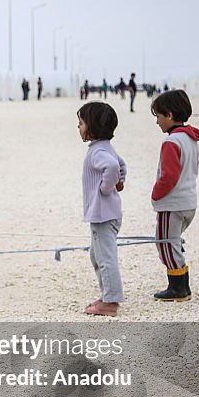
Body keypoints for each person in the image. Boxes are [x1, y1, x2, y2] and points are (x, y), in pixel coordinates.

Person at [150, 90, 199, 302]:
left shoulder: (171, 142)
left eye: (158, 117)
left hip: (172, 204)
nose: (157, 122)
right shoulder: (191, 139)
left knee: (165, 242)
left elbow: (169, 176)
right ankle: (181, 282)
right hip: (189, 202)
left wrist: (155, 195)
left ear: (169, 115)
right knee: (173, 241)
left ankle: (178, 287)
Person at [78, 102, 127, 316]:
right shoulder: (106, 147)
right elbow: (121, 165)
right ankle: (107, 294)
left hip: (103, 215)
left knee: (105, 257)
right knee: (97, 256)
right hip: (108, 214)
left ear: (93, 127)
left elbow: (113, 167)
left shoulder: (97, 151)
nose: (78, 128)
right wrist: (120, 182)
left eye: (80, 123)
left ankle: (111, 301)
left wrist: (106, 188)